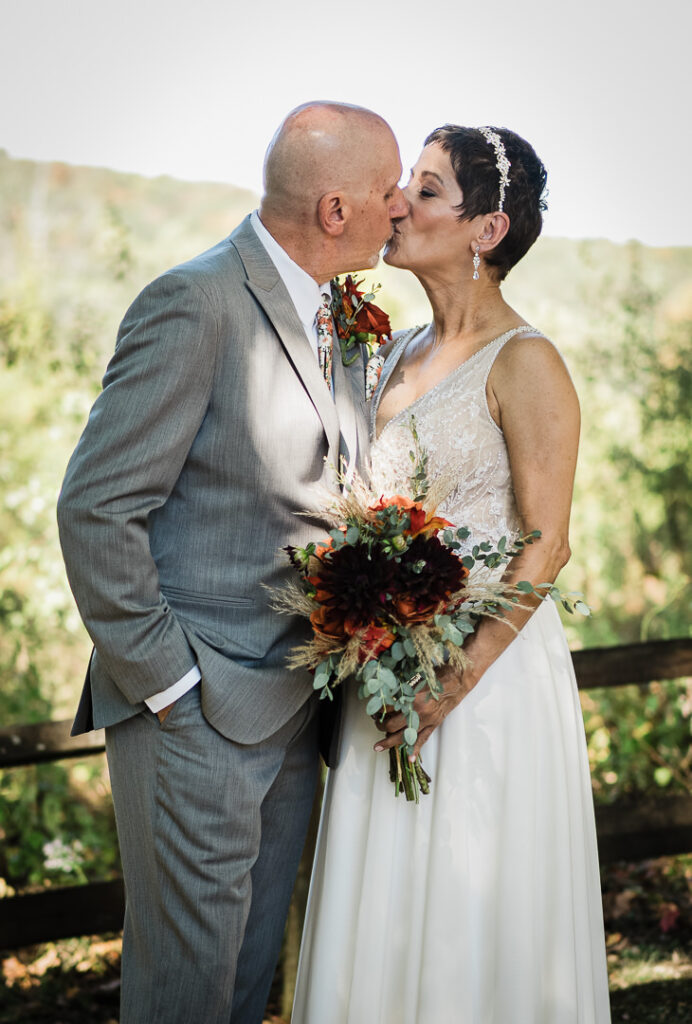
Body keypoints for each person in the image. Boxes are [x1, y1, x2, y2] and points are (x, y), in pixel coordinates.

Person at [57, 101, 407, 1024]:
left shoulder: (341, 320)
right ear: (336, 210)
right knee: (185, 989)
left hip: (295, 711)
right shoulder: (196, 301)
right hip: (195, 711)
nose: (399, 204)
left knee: (248, 984)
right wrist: (170, 686)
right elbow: (97, 508)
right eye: (385, 189)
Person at [293, 126, 611, 1023]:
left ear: (487, 228)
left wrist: (449, 686)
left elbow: (547, 548)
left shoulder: (528, 362)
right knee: (380, 899)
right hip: (382, 665)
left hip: (486, 679)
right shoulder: (391, 355)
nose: (397, 205)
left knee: (475, 909)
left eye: (425, 192)